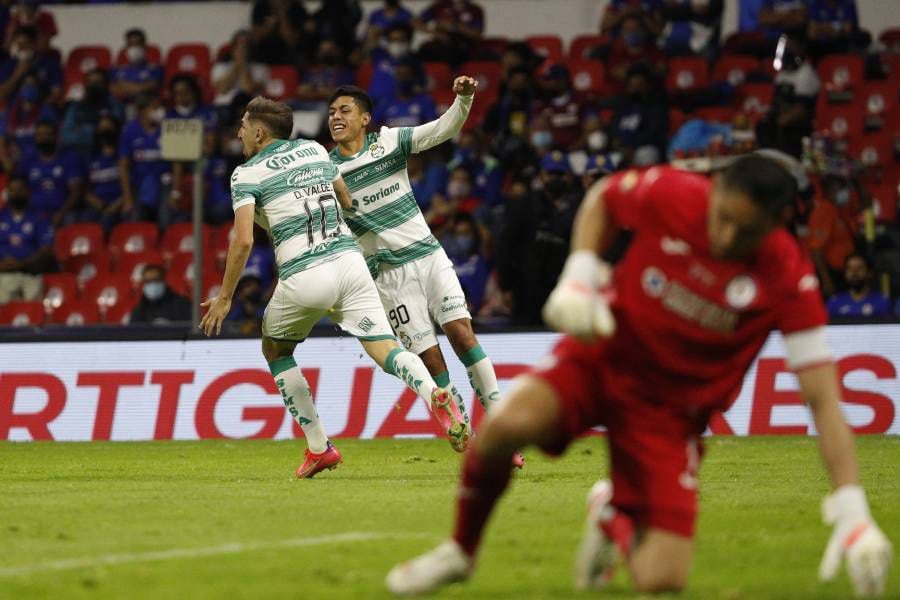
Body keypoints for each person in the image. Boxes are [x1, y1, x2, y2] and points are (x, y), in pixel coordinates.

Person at [386, 155, 893, 597]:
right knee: (504, 428)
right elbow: (605, 197)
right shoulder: (676, 193)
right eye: (723, 219)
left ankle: (611, 513)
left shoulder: (788, 276)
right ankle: (461, 551)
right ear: (713, 193)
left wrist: (851, 507)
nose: (727, 237)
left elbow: (823, 399)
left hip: (671, 415)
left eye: (747, 231)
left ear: (778, 224)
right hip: (603, 357)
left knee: (661, 579)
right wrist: (581, 271)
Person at [200, 96, 467, 477]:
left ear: (259, 132)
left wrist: (225, 297)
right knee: (385, 348)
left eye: (243, 125)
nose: (239, 131)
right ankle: (434, 394)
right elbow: (344, 198)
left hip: (305, 273)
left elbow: (242, 241)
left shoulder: (245, 174)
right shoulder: (312, 149)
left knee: (276, 350)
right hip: (350, 263)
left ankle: (319, 447)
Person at [327, 82, 523, 468]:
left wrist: (464, 99)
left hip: (430, 257)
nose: (336, 116)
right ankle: (464, 432)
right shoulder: (326, 171)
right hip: (388, 276)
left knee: (462, 333)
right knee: (429, 356)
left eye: (345, 110)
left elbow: (443, 129)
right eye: (332, 111)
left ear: (365, 119)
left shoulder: (391, 143)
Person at [16, 120, 84, 226]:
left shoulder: (70, 157)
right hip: (33, 213)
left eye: (48, 135)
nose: (44, 139)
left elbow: (76, 193)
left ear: (57, 137)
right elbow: (17, 187)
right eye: (39, 135)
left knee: (70, 219)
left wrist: (61, 213)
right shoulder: (28, 159)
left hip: (62, 212)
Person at [0, 174, 53, 304]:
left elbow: (46, 250)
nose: (16, 194)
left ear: (28, 192)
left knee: (32, 313)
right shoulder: (1, 217)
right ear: (7, 193)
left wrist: (22, 263)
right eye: (12, 190)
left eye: (20, 189)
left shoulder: (40, 218)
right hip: (3, 275)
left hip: (31, 275)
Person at [60, 68, 124, 156]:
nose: (94, 85)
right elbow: (66, 136)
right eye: (90, 82)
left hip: (105, 155)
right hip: (79, 154)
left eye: (98, 82)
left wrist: (81, 130)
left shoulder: (114, 105)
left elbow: (113, 132)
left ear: (105, 84)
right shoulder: (75, 107)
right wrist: (94, 132)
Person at [826, 253, 891, 319]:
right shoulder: (834, 302)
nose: (854, 272)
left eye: (859, 268)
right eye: (849, 268)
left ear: (869, 273)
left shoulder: (881, 302)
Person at [110, 28, 164, 104]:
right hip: (121, 106)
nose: (134, 48)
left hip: (144, 105)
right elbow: (112, 88)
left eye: (137, 44)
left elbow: (152, 86)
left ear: (144, 46)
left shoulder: (154, 69)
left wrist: (125, 86)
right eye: (130, 45)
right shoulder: (118, 69)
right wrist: (139, 87)